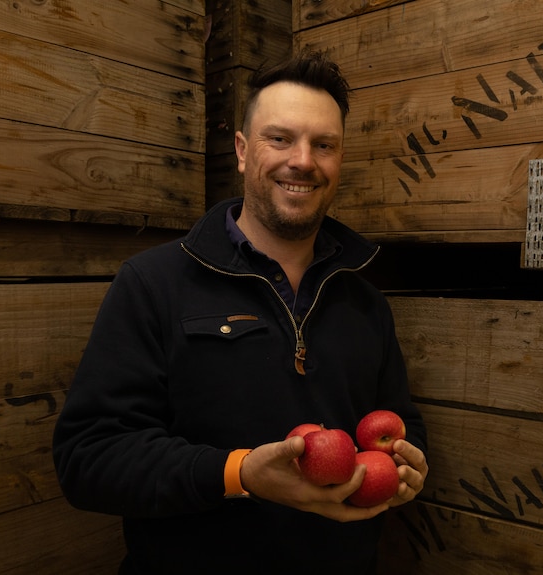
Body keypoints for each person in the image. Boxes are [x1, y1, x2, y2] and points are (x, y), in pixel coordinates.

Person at [52, 51, 428, 574]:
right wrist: (240, 473)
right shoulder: (154, 283)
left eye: (324, 145)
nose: (302, 160)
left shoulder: (364, 301)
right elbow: (88, 459)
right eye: (280, 138)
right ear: (243, 151)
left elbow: (400, 425)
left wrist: (405, 467)